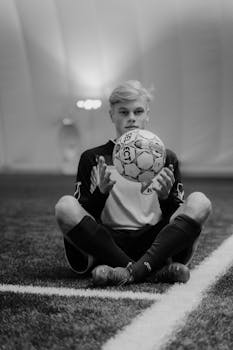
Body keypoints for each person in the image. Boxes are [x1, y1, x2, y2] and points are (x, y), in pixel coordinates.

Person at [55, 80, 212, 286]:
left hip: (155, 243)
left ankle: (129, 271)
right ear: (111, 115)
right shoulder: (92, 158)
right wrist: (100, 194)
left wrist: (165, 199)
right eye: (123, 112)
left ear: (147, 114)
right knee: (65, 206)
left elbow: (176, 220)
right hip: (108, 243)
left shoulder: (165, 157)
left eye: (138, 112)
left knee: (200, 201)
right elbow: (83, 223)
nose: (131, 118)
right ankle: (149, 271)